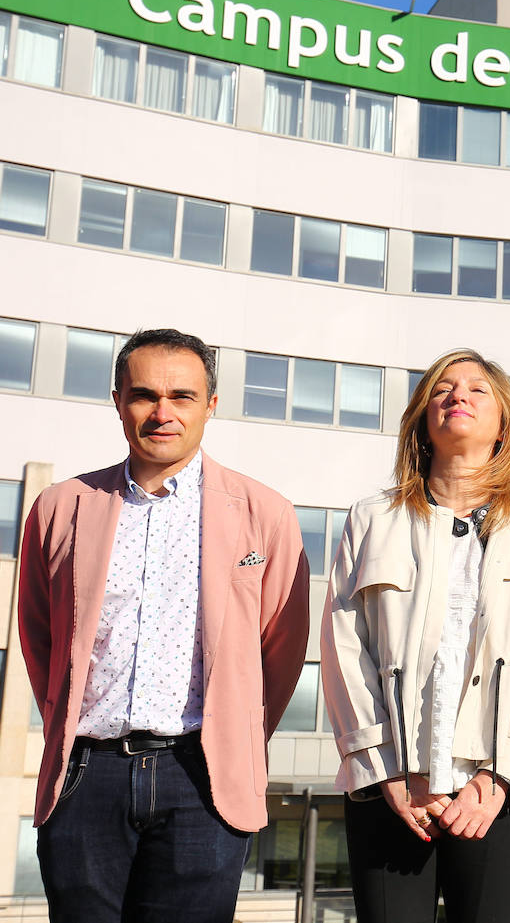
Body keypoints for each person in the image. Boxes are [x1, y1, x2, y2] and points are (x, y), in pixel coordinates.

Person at [17, 327, 310, 923]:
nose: (162, 412)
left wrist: (235, 740)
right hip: (86, 775)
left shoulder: (265, 513)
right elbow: (38, 635)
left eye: (181, 396)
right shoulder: (60, 507)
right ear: (119, 400)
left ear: (211, 406)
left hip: (201, 780)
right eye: (144, 394)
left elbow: (280, 651)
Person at [321, 348, 510, 923]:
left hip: (494, 795)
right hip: (394, 790)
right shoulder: (372, 518)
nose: (457, 396)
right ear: (421, 421)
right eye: (441, 389)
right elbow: (344, 645)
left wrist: (503, 772)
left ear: (504, 425)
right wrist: (386, 769)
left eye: (478, 390)